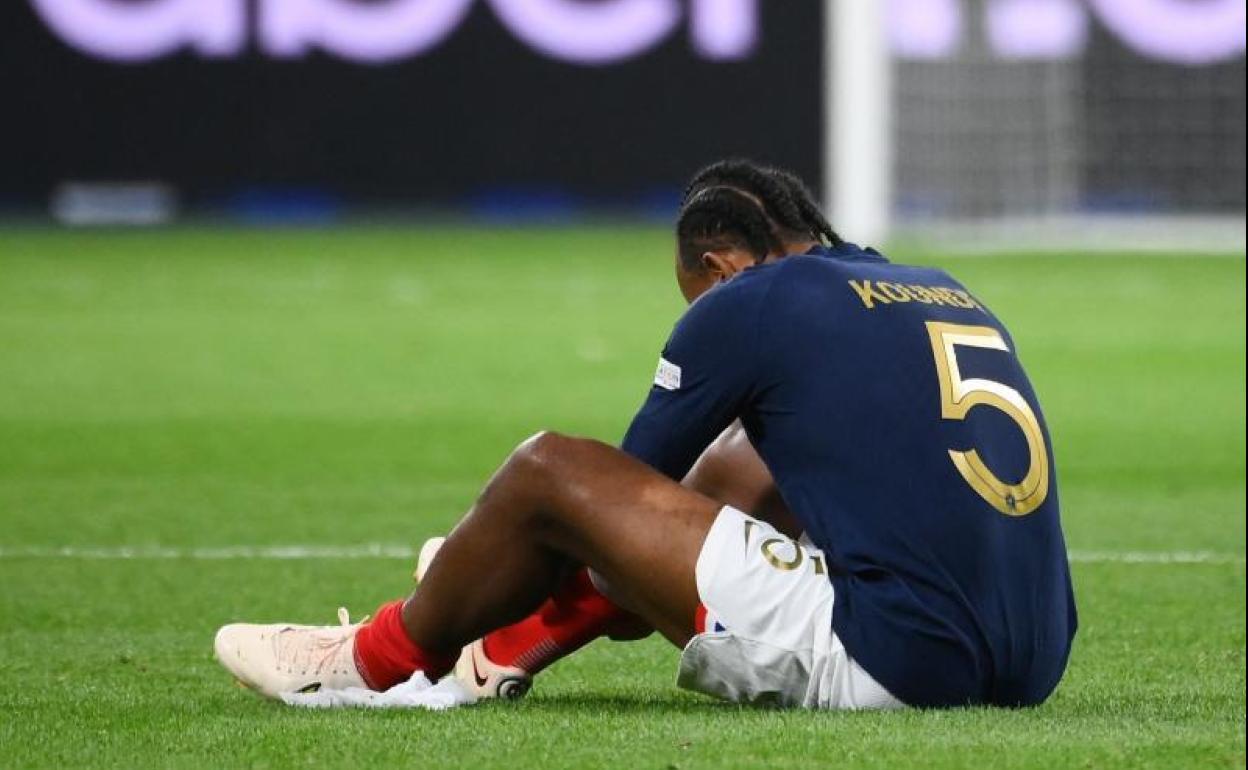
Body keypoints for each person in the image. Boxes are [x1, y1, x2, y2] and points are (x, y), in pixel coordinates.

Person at [214, 160, 1077, 710]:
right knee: (745, 464)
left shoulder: (747, 301)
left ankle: (370, 661)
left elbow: (602, 523)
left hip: (904, 664)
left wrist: (470, 570)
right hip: (1033, 666)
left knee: (549, 470)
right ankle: (497, 649)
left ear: (721, 266)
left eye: (690, 293)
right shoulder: (933, 287)